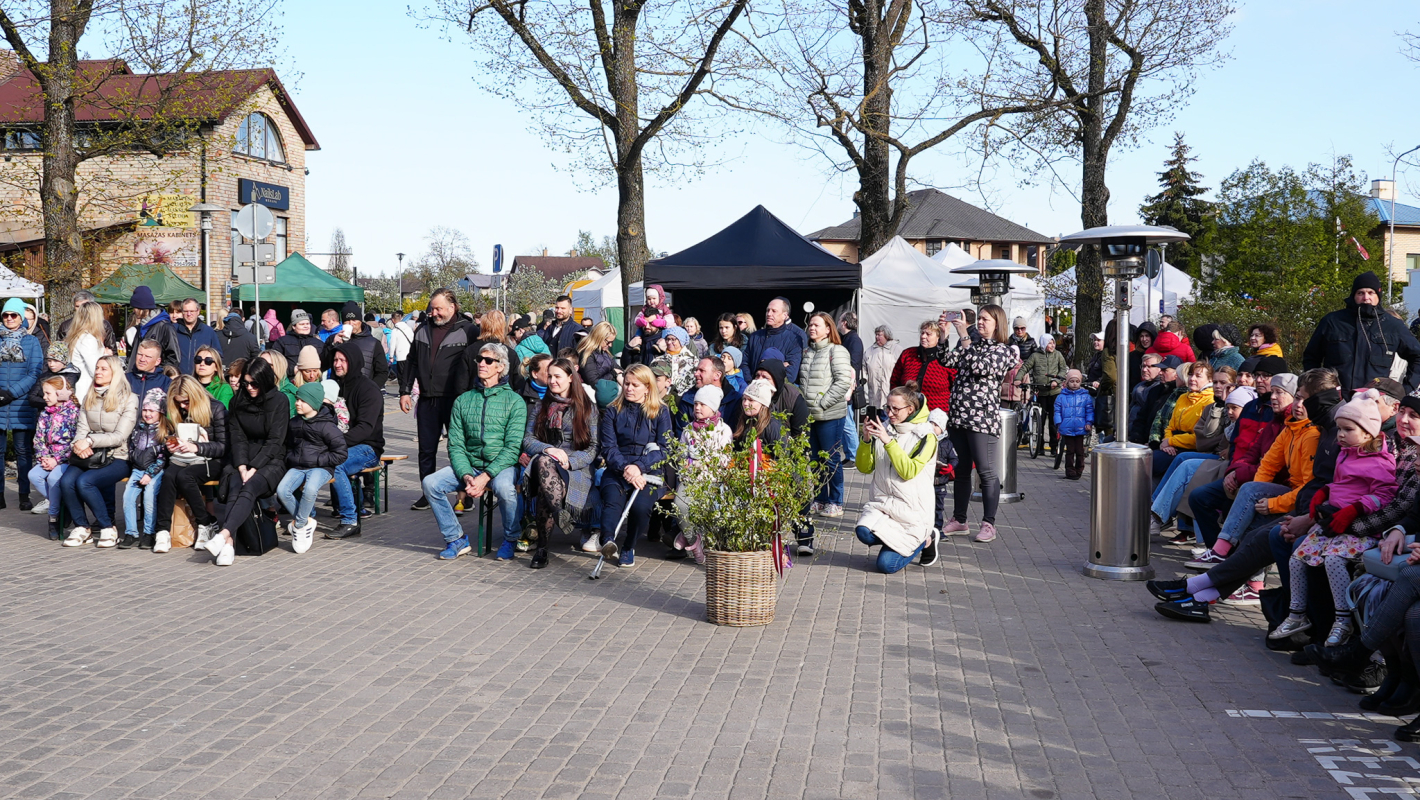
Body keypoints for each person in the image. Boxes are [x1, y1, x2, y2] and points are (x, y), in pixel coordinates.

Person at [1271, 389, 1398, 647]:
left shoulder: (1380, 461)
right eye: (1339, 429)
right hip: (1332, 524)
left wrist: (1354, 509)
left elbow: (1385, 495)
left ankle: (1343, 619)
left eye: (1347, 429)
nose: (1340, 435)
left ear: (1367, 432)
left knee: (1333, 560)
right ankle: (1297, 613)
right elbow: (1340, 484)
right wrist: (1325, 492)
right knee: (1298, 557)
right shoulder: (1345, 452)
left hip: (1357, 529)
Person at [1186, 372, 1315, 568]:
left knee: (1255, 514)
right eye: (1272, 392)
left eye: (1279, 393)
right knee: (1199, 496)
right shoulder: (1281, 423)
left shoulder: (1305, 431)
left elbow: (1296, 481)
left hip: (1288, 493)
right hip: (1250, 477)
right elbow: (1256, 454)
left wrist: (1262, 494)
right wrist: (1236, 472)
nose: (1272, 397)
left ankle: (1238, 570)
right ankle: (1219, 553)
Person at [423, 342, 525, 561]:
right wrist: (468, 475)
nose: (482, 364)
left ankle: (511, 537)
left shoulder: (515, 401)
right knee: (431, 483)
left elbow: (512, 448)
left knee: (505, 488)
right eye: (480, 359)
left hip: (501, 466)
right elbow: (456, 445)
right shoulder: (463, 400)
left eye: (489, 361)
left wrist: (486, 476)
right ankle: (455, 539)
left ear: (501, 367)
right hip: (470, 465)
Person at [937, 304, 1016, 543]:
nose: (980, 323)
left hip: (982, 418)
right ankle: (959, 519)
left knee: (986, 471)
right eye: (979, 319)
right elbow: (946, 360)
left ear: (997, 323)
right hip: (960, 416)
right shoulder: (972, 345)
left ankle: (988, 523)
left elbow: (979, 367)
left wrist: (963, 336)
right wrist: (944, 336)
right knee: (961, 470)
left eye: (985, 319)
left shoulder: (1004, 350)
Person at [200, 358, 290, 566]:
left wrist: (255, 467)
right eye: (246, 383)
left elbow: (275, 441)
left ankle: (224, 536)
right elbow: (237, 437)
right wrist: (242, 466)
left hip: (271, 459)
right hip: (242, 457)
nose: (249, 388)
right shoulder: (237, 401)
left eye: (254, 384)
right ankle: (228, 543)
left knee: (249, 487)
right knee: (235, 485)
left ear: (265, 381)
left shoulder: (279, 401)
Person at [401, 289, 477, 510]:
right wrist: (405, 391)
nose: (433, 313)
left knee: (458, 449)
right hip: (427, 399)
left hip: (456, 401)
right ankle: (428, 494)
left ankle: (465, 496)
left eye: (438, 308)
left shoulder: (468, 330)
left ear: (452, 307)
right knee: (426, 450)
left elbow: (474, 366)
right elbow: (412, 361)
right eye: (432, 308)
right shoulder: (422, 330)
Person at [521, 357, 600, 567]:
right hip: (545, 462)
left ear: (570, 378)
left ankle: (542, 549)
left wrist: (570, 461)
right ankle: (559, 513)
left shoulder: (587, 408)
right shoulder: (541, 406)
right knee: (544, 462)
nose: (552, 381)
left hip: (575, 466)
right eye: (550, 376)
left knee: (545, 493)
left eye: (557, 376)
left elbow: (593, 448)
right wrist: (548, 448)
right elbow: (527, 440)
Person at [853, 383, 939, 573]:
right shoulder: (885, 428)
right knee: (862, 531)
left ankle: (926, 538)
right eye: (887, 407)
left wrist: (888, 441)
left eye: (895, 409)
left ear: (910, 409)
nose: (890, 413)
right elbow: (864, 468)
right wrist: (866, 440)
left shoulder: (926, 436)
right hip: (884, 505)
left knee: (886, 565)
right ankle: (895, 542)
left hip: (912, 513)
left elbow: (908, 471)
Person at [596, 364, 672, 569]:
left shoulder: (661, 412)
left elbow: (665, 449)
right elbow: (609, 447)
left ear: (647, 387)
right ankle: (608, 541)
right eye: (627, 384)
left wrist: (639, 467)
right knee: (612, 500)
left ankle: (629, 546)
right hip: (618, 467)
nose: (629, 388)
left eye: (635, 385)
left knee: (641, 507)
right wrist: (626, 469)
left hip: (650, 470)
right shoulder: (613, 410)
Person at [59, 356, 137, 547]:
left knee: (86, 482)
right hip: (90, 454)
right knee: (67, 481)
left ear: (115, 373)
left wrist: (90, 441)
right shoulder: (89, 396)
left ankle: (108, 527)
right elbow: (81, 430)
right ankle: (82, 527)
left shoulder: (129, 398)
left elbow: (119, 436)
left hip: (118, 456)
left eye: (104, 369)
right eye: (97, 368)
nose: (98, 372)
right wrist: (78, 445)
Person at [1304, 271, 1420, 392]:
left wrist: (1405, 390)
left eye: (1371, 293)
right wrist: (1316, 389)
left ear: (1378, 295)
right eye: (1361, 293)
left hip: (1374, 402)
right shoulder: (1332, 322)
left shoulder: (1392, 325)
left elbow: (1417, 356)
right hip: (1334, 400)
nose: (1366, 298)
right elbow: (1311, 357)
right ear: (1354, 295)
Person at [150, 375, 228, 552]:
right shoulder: (179, 411)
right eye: (178, 403)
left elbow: (223, 447)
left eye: (186, 402)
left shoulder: (216, 409)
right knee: (169, 475)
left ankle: (205, 523)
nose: (183, 406)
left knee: (185, 477)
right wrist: (172, 445)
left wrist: (196, 447)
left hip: (212, 460)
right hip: (184, 457)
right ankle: (162, 530)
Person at [279, 382, 348, 554]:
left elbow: (341, 453)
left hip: (322, 468)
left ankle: (299, 527)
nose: (297, 403)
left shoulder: (327, 426)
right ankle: (305, 522)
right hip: (298, 466)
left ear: (314, 403)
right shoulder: (294, 423)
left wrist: (319, 459)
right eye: (297, 399)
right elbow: (288, 446)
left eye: (302, 400)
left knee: (310, 489)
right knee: (282, 490)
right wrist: (290, 458)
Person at [801, 311, 853, 538]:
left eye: (816, 325)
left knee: (831, 459)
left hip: (830, 415)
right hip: (810, 417)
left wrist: (823, 403)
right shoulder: (807, 352)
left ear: (828, 329)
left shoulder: (837, 351)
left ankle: (836, 500)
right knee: (815, 460)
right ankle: (821, 499)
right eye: (810, 324)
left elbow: (843, 381)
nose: (812, 328)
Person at [327, 340, 385, 539]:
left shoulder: (369, 389)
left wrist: (335, 444)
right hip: (340, 444)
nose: (337, 364)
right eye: (335, 360)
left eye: (343, 360)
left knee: (336, 464)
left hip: (368, 448)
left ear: (353, 361)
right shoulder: (332, 387)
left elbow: (365, 429)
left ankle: (350, 520)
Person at [0, 297, 43, 510]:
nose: (9, 318)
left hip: (21, 404)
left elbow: (35, 372)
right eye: (6, 315)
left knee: (23, 451)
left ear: (21, 318)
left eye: (13, 315)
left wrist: (11, 393)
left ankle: (24, 495)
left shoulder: (31, 341)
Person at [119, 387, 169, 550]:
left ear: (160, 412)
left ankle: (149, 533)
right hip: (137, 469)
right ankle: (131, 533)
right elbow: (131, 447)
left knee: (149, 497)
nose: (148, 413)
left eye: (152, 410)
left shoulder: (164, 431)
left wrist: (150, 474)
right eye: (145, 409)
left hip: (155, 471)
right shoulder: (137, 429)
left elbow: (163, 457)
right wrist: (135, 461)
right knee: (128, 497)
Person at [31, 376, 78, 540]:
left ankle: (53, 517)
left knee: (53, 479)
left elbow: (74, 442)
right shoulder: (45, 413)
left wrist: (56, 459)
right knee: (33, 475)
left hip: (66, 459)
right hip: (48, 457)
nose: (44, 397)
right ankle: (64, 506)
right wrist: (44, 456)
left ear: (61, 393)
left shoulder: (73, 413)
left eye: (48, 393)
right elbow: (38, 438)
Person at [1153, 361, 1216, 479]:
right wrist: (1166, 442)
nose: (1192, 379)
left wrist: (1171, 441)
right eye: (1191, 374)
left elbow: (1199, 437)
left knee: (1153, 462)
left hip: (1192, 449)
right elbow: (1170, 426)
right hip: (1172, 445)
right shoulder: (1183, 397)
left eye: (1198, 376)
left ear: (1210, 380)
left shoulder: (1210, 401)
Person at [890, 320, 955, 416]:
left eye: (928, 334)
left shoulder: (947, 359)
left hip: (935, 417)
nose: (923, 336)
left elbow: (956, 387)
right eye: (922, 333)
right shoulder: (908, 354)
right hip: (907, 414)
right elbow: (894, 382)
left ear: (938, 337)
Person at [1019, 334, 1068, 458]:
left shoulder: (1058, 355)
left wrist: (1056, 382)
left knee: (1053, 420)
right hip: (1041, 391)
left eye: (1053, 343)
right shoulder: (1035, 356)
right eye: (1049, 343)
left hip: (1054, 392)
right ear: (1044, 343)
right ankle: (1039, 447)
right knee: (1040, 420)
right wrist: (1018, 379)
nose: (1052, 345)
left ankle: (1053, 447)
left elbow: (1063, 370)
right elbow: (1025, 367)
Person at [322, 301, 390, 386]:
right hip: (339, 392)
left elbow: (382, 372)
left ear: (360, 321)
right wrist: (332, 345)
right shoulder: (334, 339)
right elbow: (322, 366)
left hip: (363, 392)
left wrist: (370, 389)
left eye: (354, 320)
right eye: (347, 321)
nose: (351, 324)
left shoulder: (373, 343)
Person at [743, 297, 808, 383]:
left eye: (774, 311)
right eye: (768, 310)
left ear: (785, 315)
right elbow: (744, 362)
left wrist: (770, 386)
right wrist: (751, 382)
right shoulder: (755, 336)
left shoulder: (794, 339)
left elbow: (791, 373)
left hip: (776, 392)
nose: (769, 314)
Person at [124, 286, 179, 372]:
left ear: (141, 308)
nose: (134, 311)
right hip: (137, 378)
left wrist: (156, 373)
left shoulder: (165, 327)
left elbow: (174, 358)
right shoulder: (141, 327)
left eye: (135, 307)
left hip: (155, 379)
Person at [1054, 370, 1094, 480]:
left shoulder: (1085, 396)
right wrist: (1059, 423)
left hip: (1081, 427)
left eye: (1077, 381)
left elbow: (1089, 411)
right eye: (1072, 381)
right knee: (1070, 450)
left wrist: (1089, 422)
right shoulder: (1061, 397)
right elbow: (1057, 411)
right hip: (1066, 427)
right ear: (1067, 382)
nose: (1074, 383)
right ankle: (1070, 471)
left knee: (1080, 450)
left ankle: (1079, 469)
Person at [754, 357, 809, 437]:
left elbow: (800, 435)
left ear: (776, 379)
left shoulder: (794, 398)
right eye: (757, 375)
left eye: (765, 377)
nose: (759, 380)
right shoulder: (749, 397)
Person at [65, 300, 104, 403]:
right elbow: (94, 367)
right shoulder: (87, 339)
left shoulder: (76, 336)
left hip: (77, 385)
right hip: (86, 389)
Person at [171, 298, 221, 375]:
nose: (189, 314)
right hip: (177, 378)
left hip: (200, 378)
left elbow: (218, 356)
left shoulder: (209, 332)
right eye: (186, 311)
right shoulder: (172, 330)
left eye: (192, 311)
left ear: (198, 311)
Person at [269, 310, 322, 380]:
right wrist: (292, 370)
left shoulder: (318, 342)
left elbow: (325, 362)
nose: (306, 326)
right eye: (302, 324)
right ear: (294, 326)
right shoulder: (282, 342)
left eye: (307, 324)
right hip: (290, 381)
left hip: (313, 381)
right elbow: (275, 363)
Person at [629, 285, 671, 365]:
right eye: (649, 299)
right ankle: (637, 344)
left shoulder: (664, 308)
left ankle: (660, 343)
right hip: (646, 338)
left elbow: (670, 319)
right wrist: (641, 322)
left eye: (654, 299)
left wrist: (662, 322)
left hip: (661, 330)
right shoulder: (645, 308)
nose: (651, 301)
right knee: (639, 330)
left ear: (660, 297)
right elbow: (637, 319)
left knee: (666, 331)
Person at [864, 325, 896, 412]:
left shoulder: (896, 349)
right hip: (874, 393)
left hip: (891, 392)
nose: (877, 337)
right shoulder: (869, 351)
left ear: (887, 336)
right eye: (876, 334)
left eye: (879, 335)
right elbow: (863, 370)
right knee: (876, 418)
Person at [577, 321, 618, 389]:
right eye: (608, 342)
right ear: (599, 338)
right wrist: (613, 374)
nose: (610, 345)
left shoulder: (605, 353)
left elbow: (619, 369)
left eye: (612, 342)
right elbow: (593, 382)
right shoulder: (587, 354)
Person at [388, 310, 414, 386]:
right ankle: (409, 389)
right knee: (408, 373)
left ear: (393, 320)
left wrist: (391, 356)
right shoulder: (408, 328)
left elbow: (392, 344)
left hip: (400, 355)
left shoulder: (395, 330)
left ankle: (403, 390)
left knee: (401, 374)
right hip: (409, 354)